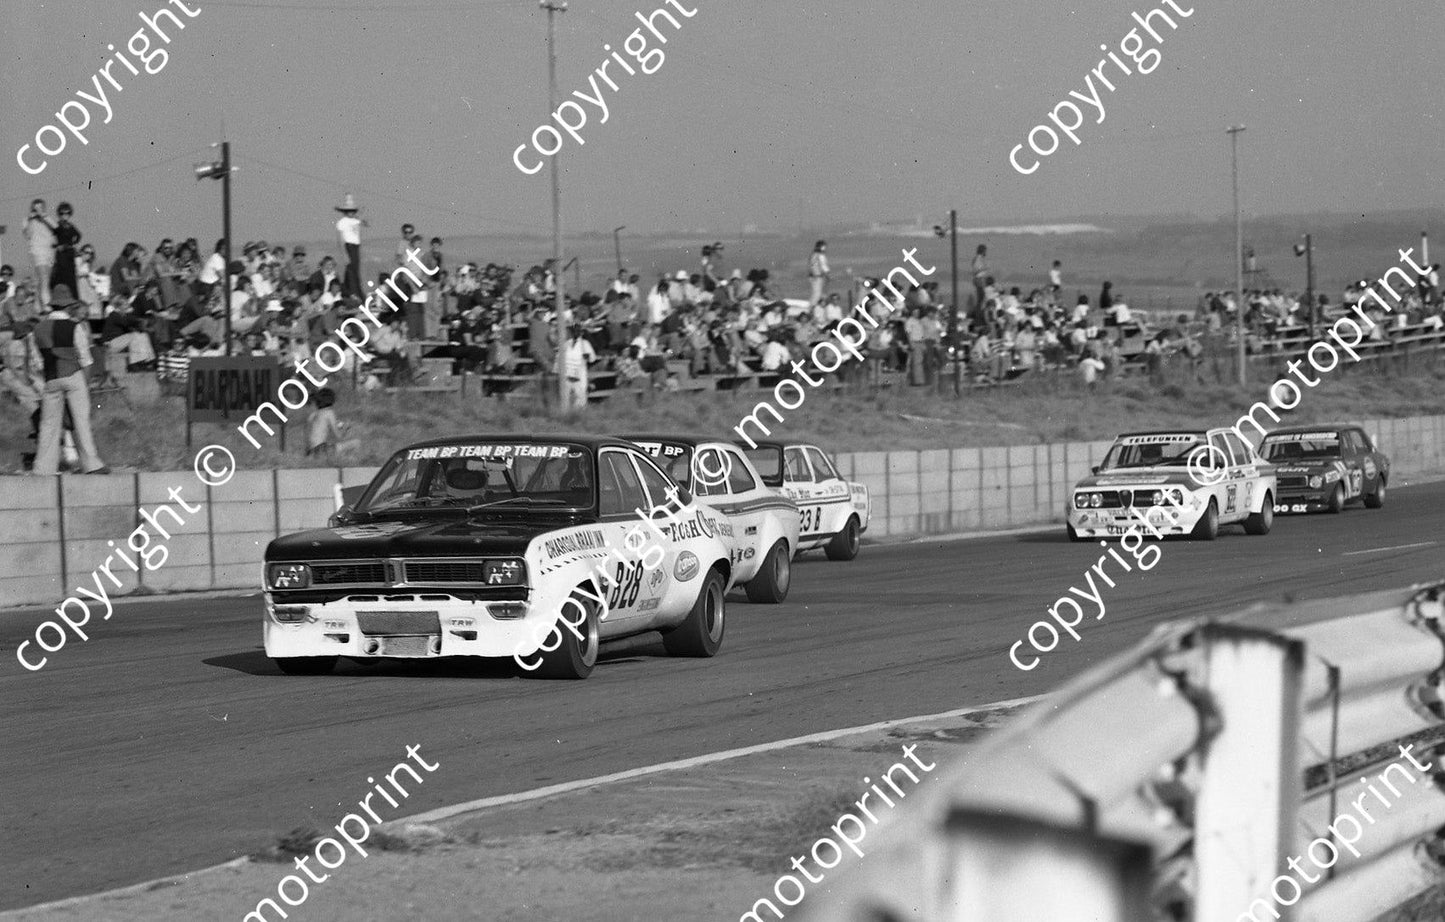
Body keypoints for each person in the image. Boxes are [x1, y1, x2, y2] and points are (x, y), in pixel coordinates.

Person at [32, 285, 108, 475]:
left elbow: (37, 362)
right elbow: (85, 359)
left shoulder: (38, 328)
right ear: (68, 307)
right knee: (80, 421)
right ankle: (92, 464)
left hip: (51, 378)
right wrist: (87, 384)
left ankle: (43, 468)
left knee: (48, 424)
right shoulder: (75, 327)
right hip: (73, 375)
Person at [23, 199, 57, 308]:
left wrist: (43, 216)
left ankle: (38, 305)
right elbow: (27, 234)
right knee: (44, 278)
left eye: (40, 208)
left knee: (44, 281)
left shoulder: (47, 219)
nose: (37, 210)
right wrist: (30, 219)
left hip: (49, 252)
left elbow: (56, 228)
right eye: (35, 208)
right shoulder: (28, 220)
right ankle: (47, 305)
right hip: (37, 251)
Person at [334, 193, 367, 297]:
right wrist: (345, 255)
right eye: (349, 211)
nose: (351, 213)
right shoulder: (342, 222)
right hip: (349, 246)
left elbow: (366, 223)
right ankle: (355, 293)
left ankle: (351, 291)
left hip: (356, 247)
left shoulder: (356, 221)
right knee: (352, 271)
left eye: (352, 211)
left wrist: (360, 216)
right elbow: (341, 239)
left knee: (354, 271)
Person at [558, 323, 595, 412]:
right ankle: (565, 416)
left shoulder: (585, 344)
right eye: (574, 331)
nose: (576, 333)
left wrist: (587, 356)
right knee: (565, 396)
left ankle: (578, 416)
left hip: (580, 373)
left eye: (578, 331)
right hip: (567, 373)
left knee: (581, 396)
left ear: (581, 332)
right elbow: (559, 357)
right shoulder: (566, 344)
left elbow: (593, 358)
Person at [808, 240, 830, 306]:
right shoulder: (820, 255)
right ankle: (813, 307)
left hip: (813, 277)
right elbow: (823, 266)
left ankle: (814, 306)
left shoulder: (813, 255)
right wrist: (827, 275)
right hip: (818, 277)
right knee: (817, 294)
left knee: (817, 293)